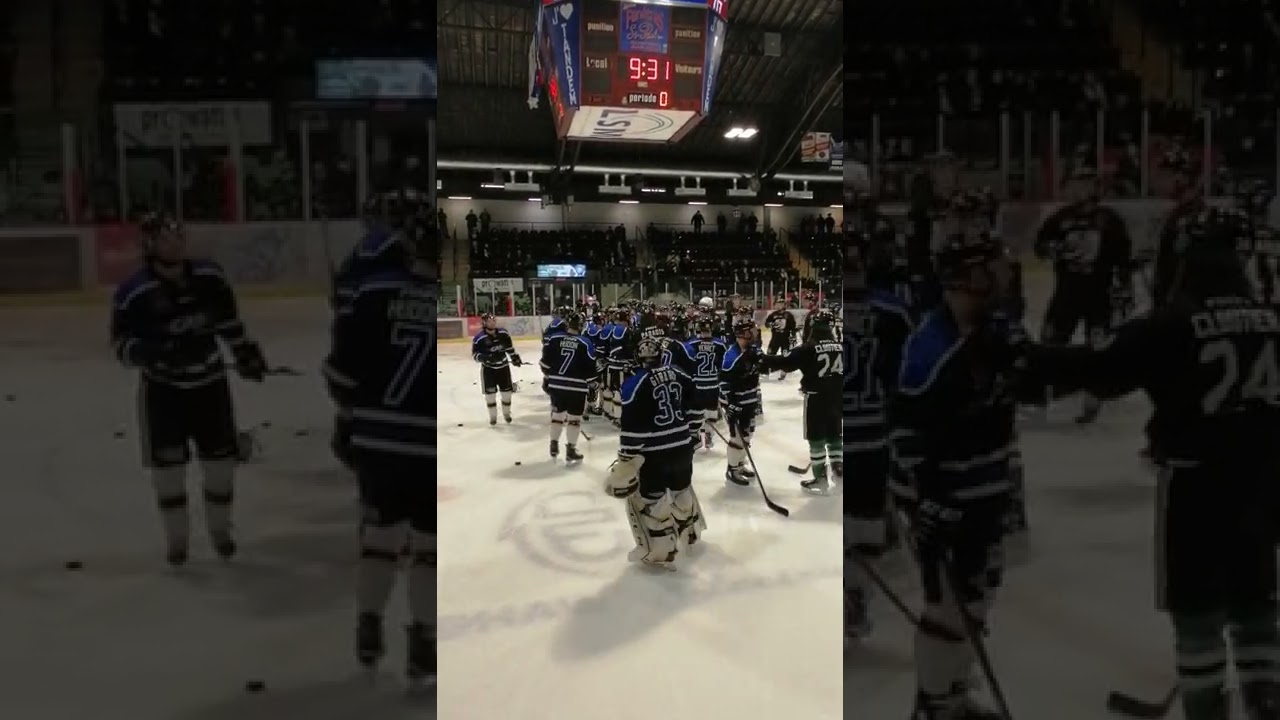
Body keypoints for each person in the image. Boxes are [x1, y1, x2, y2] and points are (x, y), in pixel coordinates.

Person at [1030, 206, 1280, 720]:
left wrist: (1023, 358)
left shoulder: (1171, 323)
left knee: (1196, 606)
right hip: (1263, 481)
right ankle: (1265, 697)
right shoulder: (1274, 319)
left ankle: (1206, 705)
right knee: (1254, 596)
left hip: (1195, 484)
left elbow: (1101, 372)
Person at [891, 232, 1023, 720]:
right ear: (967, 277)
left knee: (979, 595)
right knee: (947, 608)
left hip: (987, 488)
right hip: (946, 498)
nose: (1004, 273)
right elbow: (906, 436)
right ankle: (936, 706)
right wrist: (927, 501)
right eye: (992, 265)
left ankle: (948, 694)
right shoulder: (933, 348)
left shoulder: (996, 329)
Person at [322, 193, 436, 687]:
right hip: (431, 446)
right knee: (429, 548)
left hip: (379, 440)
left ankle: (369, 622)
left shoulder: (373, 289)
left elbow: (341, 370)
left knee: (380, 537)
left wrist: (350, 420)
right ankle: (423, 642)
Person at [110, 212, 267, 566]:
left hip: (210, 387)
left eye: (180, 237)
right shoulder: (133, 293)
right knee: (167, 472)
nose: (177, 244)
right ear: (150, 245)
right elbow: (121, 346)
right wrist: (154, 353)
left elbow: (229, 322)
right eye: (167, 239)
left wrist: (245, 353)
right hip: (164, 393)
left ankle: (220, 531)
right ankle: (177, 540)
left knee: (221, 465)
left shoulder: (210, 277)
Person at [841, 241, 913, 643]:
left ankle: (846, 593)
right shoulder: (891, 311)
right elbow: (908, 378)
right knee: (867, 527)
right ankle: (854, 597)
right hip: (872, 439)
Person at [1033, 168, 1135, 424]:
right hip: (1066, 293)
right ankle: (1040, 393)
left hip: (1098, 295)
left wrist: (1124, 287)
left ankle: (1095, 393)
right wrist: (1050, 249)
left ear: (1095, 187)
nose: (1079, 190)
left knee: (1099, 346)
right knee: (1050, 343)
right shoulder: (1059, 218)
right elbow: (1039, 247)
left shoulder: (1109, 219)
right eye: (1074, 184)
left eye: (1085, 183)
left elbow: (1123, 257)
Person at [605, 336, 703, 567]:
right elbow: (696, 404)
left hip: (654, 454)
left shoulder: (634, 383)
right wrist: (693, 431)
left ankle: (664, 551)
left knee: (652, 501)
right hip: (682, 446)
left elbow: (633, 423)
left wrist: (627, 456)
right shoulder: (679, 373)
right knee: (681, 491)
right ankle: (689, 533)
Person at [760, 309, 843, 494]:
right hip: (838, 397)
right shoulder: (840, 346)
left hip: (816, 397)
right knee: (834, 432)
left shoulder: (808, 347)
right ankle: (839, 465)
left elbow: (786, 363)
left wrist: (762, 358)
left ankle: (820, 477)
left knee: (816, 437)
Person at [539, 312, 598, 462]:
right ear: (581, 326)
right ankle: (570, 449)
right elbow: (590, 369)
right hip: (577, 388)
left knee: (557, 417)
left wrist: (548, 378)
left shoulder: (555, 338)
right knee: (574, 420)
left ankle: (553, 444)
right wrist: (592, 387)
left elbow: (545, 364)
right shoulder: (586, 343)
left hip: (557, 385)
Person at [720, 319, 763, 486]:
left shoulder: (753, 351)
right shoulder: (732, 356)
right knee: (737, 438)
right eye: (750, 331)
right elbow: (724, 383)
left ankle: (739, 463)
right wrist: (731, 402)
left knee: (748, 433)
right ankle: (732, 469)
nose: (754, 333)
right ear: (742, 334)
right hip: (736, 402)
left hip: (750, 400)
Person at [471, 313, 522, 425]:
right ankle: (493, 417)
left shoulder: (503, 333)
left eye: (494, 321)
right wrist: (485, 358)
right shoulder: (479, 338)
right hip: (488, 371)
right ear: (484, 323)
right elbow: (475, 355)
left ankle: (506, 414)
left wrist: (514, 357)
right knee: (490, 396)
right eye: (490, 321)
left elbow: (509, 348)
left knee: (507, 393)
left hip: (503, 368)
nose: (492, 323)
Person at [763, 306, 798, 379]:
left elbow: (793, 327)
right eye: (778, 303)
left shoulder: (789, 315)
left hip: (785, 339)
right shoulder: (773, 314)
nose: (779, 305)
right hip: (775, 338)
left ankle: (783, 371)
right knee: (770, 354)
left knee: (785, 355)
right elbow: (766, 324)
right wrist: (770, 324)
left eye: (781, 303)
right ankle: (767, 370)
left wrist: (794, 336)